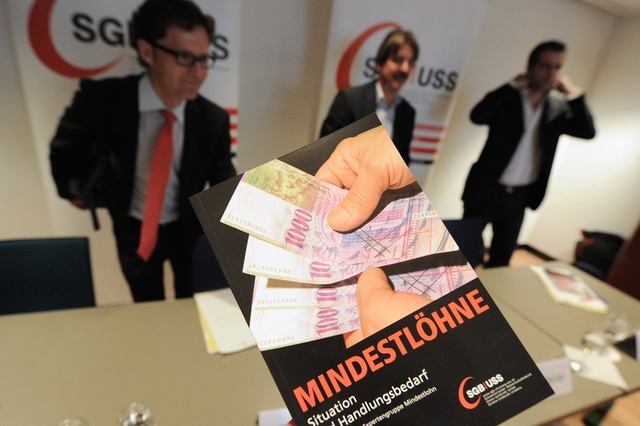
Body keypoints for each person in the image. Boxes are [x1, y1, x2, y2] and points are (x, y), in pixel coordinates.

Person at [50, 0, 236, 302]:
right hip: (133, 229)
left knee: (192, 305)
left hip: (187, 231)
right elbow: (64, 150)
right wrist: (75, 191)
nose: (198, 71)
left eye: (204, 59)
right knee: (146, 304)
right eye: (185, 57)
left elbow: (222, 180)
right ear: (148, 52)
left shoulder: (213, 119)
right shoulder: (102, 100)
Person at [462, 40, 596, 268]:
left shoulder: (557, 107)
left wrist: (573, 95)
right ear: (531, 67)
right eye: (545, 66)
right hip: (486, 190)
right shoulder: (509, 98)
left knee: (501, 261)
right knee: (465, 254)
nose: (551, 73)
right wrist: (511, 86)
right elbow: (477, 115)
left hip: (520, 197)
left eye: (557, 67)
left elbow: (587, 131)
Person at [319, 29, 419, 164]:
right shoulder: (348, 100)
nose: (405, 69)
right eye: (398, 60)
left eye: (410, 62)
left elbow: (402, 162)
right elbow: (324, 152)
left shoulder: (407, 113)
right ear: (380, 64)